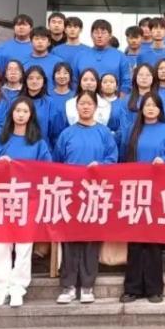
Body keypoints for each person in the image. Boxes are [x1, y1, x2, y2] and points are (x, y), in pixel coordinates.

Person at [53, 91, 119, 305]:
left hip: (95, 193)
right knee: (70, 240)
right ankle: (68, 286)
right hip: (71, 194)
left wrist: (101, 166)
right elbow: (57, 163)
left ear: (96, 108)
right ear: (76, 107)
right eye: (82, 103)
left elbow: (112, 158)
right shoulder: (66, 134)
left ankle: (88, 286)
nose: (86, 107)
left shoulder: (104, 133)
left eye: (90, 103)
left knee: (91, 239)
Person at [0, 97, 52, 307]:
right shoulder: (0, 138)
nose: (21, 115)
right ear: (11, 114)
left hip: (28, 199)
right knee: (1, 245)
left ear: (31, 115)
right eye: (17, 111)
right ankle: (1, 288)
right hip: (3, 198)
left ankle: (18, 288)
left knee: (24, 246)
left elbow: (47, 169)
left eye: (25, 111)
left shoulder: (38, 142)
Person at [119, 93, 165, 304]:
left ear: (160, 109)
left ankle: (154, 288)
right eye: (146, 105)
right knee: (134, 240)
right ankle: (132, 288)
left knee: (153, 240)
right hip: (134, 189)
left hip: (158, 190)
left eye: (154, 105)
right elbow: (122, 158)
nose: (150, 108)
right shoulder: (132, 130)